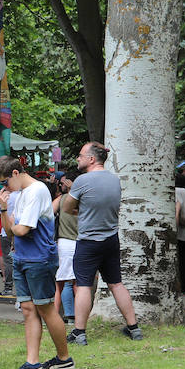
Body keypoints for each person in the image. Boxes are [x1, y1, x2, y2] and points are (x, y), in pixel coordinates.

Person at [0, 156, 74, 369]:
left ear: (16, 174)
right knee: (28, 310)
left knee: (46, 308)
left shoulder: (37, 191)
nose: (4, 188)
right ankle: (33, 363)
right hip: (21, 257)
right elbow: (10, 231)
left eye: (5, 182)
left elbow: (22, 230)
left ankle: (64, 358)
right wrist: (3, 210)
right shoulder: (18, 194)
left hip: (39, 259)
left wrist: (7, 213)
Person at [61, 142, 142, 343]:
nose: (78, 159)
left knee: (83, 286)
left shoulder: (82, 181)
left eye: (80, 155)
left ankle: (79, 332)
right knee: (116, 283)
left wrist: (81, 209)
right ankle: (134, 328)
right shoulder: (114, 180)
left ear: (91, 159)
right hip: (111, 239)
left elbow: (66, 207)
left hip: (88, 241)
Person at [53, 173, 79, 323]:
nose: (60, 186)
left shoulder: (62, 200)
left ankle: (55, 317)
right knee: (78, 284)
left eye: (63, 184)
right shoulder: (85, 201)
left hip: (65, 244)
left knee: (59, 284)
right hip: (81, 244)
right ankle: (79, 317)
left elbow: (48, 213)